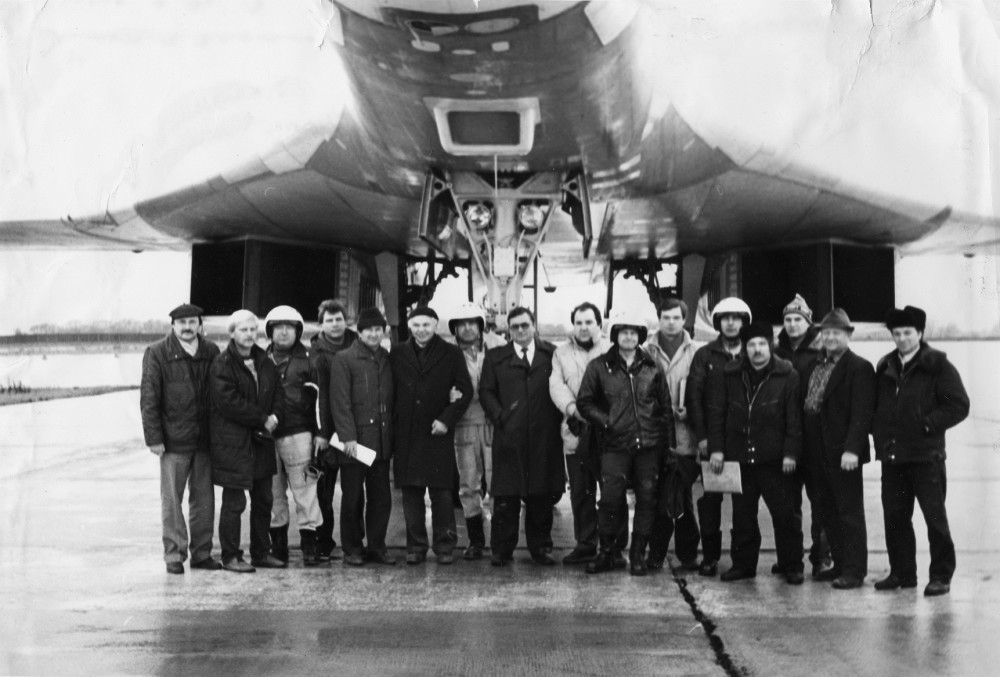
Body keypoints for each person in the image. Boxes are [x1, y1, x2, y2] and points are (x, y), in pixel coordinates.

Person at [872, 305, 969, 597]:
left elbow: (959, 405)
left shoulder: (937, 365)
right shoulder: (885, 365)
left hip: (926, 458)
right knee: (895, 518)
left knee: (935, 520)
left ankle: (940, 575)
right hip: (893, 457)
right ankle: (902, 573)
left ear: (920, 333)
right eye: (897, 333)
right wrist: (879, 431)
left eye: (908, 333)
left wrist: (927, 424)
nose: (902, 339)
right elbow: (878, 405)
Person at [578, 311, 675, 576]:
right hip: (614, 445)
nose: (629, 337)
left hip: (649, 445)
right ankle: (607, 552)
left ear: (640, 336)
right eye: (624, 332)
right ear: (615, 335)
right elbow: (584, 402)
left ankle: (638, 553)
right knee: (610, 499)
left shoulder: (653, 367)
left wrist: (669, 447)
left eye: (634, 332)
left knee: (647, 499)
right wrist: (607, 421)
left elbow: (665, 408)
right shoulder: (599, 366)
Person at [708, 321, 804, 585]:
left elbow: (794, 419)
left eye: (762, 343)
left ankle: (792, 564)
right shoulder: (729, 374)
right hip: (741, 457)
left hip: (775, 460)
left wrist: (790, 454)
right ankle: (743, 565)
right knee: (742, 516)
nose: (757, 349)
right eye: (751, 344)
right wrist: (717, 449)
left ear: (771, 345)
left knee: (785, 515)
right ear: (744, 347)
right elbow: (717, 413)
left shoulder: (788, 375)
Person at [479, 307, 565, 567]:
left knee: (541, 495)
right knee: (506, 496)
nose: (519, 330)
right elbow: (486, 391)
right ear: (508, 329)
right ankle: (502, 550)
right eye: (514, 326)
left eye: (524, 325)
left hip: (544, 437)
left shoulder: (552, 355)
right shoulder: (495, 357)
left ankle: (541, 548)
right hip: (509, 437)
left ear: (534, 325)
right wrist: (501, 417)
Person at [139, 303, 221, 574]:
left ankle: (202, 553)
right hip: (173, 442)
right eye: (182, 322)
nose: (187, 327)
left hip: (205, 440)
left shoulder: (211, 351)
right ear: (173, 325)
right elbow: (149, 398)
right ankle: (174, 554)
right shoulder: (156, 353)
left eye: (192, 322)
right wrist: (154, 438)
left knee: (204, 501)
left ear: (200, 325)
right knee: (172, 501)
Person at [390, 306, 473, 565]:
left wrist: (447, 419)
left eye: (426, 325)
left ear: (436, 325)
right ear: (409, 326)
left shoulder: (451, 353)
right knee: (411, 494)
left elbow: (465, 390)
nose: (421, 330)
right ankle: (415, 547)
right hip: (407, 433)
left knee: (442, 494)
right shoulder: (397, 353)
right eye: (416, 325)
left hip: (437, 432)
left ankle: (445, 547)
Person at [800, 308, 875, 589]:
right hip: (816, 451)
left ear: (848, 335)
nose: (830, 337)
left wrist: (852, 450)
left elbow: (862, 413)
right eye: (826, 333)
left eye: (836, 333)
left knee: (849, 513)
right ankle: (840, 565)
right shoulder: (815, 365)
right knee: (827, 511)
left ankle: (855, 571)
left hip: (843, 453)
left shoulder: (859, 367)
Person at [549, 301, 627, 566]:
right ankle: (585, 544)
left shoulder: (613, 351)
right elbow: (556, 385)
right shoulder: (561, 354)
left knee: (612, 492)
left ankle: (614, 547)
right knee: (581, 492)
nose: (583, 327)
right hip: (577, 430)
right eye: (578, 322)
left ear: (599, 324)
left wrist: (606, 417)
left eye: (589, 322)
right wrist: (575, 410)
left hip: (609, 433)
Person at [210, 310, 287, 573]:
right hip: (235, 444)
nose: (249, 334)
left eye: (253, 329)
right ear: (232, 333)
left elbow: (278, 393)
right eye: (243, 330)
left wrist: (275, 416)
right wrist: (263, 419)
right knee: (234, 503)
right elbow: (229, 403)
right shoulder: (222, 364)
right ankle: (231, 556)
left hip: (262, 442)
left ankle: (261, 553)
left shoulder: (265, 361)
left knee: (264, 499)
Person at [686, 296, 751, 576]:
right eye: (726, 318)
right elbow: (694, 398)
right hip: (711, 441)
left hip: (743, 443)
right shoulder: (705, 356)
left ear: (744, 322)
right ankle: (710, 557)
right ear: (718, 323)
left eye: (736, 318)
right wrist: (703, 438)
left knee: (743, 505)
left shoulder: (752, 352)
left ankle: (740, 560)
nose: (731, 323)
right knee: (711, 501)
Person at [329, 307, 396, 567]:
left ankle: (377, 546)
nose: (374, 334)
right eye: (368, 330)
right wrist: (348, 437)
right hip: (355, 442)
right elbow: (340, 401)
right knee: (353, 498)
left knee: (381, 498)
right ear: (359, 332)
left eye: (378, 329)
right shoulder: (344, 359)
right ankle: (353, 548)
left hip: (381, 441)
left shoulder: (386, 357)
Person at [774, 293, 832, 577]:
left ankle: (820, 557)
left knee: (819, 501)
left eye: (798, 319)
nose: (793, 324)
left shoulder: (822, 351)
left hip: (814, 437)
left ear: (808, 322)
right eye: (788, 319)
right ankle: (790, 556)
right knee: (787, 502)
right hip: (785, 436)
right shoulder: (776, 352)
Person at [644, 297, 701, 572]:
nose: (670, 322)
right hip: (655, 437)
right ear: (659, 319)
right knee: (662, 496)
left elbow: (703, 390)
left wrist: (691, 411)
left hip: (685, 437)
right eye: (665, 317)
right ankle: (678, 553)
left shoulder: (696, 352)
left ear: (684, 320)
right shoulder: (646, 351)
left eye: (676, 317)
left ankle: (664, 553)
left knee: (679, 495)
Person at [264, 305, 323, 567]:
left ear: (298, 331)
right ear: (270, 331)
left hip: (299, 435)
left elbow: (322, 400)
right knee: (273, 493)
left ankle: (310, 546)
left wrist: (320, 433)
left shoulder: (310, 360)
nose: (284, 332)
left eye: (289, 327)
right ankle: (278, 548)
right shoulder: (260, 359)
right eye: (278, 327)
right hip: (267, 437)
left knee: (306, 491)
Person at [448, 302, 506, 560]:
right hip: (465, 424)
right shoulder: (448, 353)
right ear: (455, 328)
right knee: (468, 483)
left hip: (495, 423)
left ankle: (500, 541)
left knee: (498, 483)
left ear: (481, 325)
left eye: (472, 322)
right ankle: (476, 540)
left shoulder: (499, 347)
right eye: (461, 324)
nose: (467, 328)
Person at [310, 299, 358, 562]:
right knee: (323, 492)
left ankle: (354, 544)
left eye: (339, 319)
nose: (335, 324)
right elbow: (319, 397)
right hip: (326, 435)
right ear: (321, 324)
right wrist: (321, 432)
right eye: (329, 320)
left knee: (354, 493)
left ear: (346, 321)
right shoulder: (315, 353)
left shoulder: (359, 346)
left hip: (353, 430)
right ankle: (323, 542)